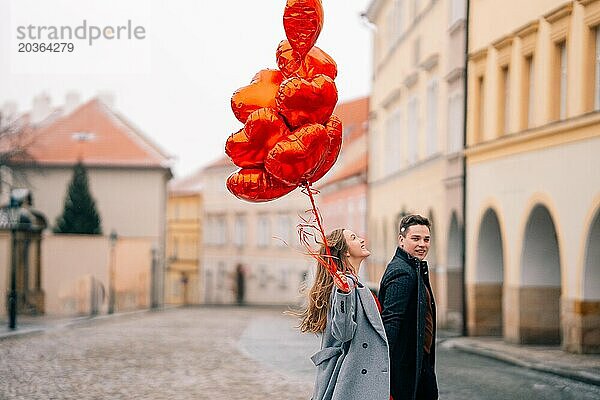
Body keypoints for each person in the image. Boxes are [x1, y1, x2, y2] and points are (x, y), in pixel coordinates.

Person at [299, 228, 390, 400]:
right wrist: (343, 294)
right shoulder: (344, 285)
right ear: (346, 252)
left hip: (359, 374)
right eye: (354, 238)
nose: (362, 239)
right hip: (351, 376)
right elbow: (344, 333)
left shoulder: (354, 283)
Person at [378, 214, 438, 400]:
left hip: (417, 362)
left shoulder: (413, 268)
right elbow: (391, 321)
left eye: (426, 239)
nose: (422, 244)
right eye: (416, 238)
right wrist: (382, 368)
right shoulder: (403, 273)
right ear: (401, 240)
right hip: (406, 367)